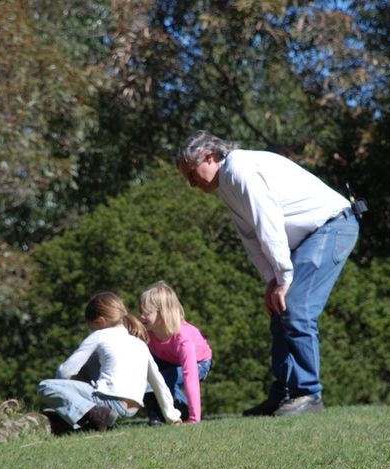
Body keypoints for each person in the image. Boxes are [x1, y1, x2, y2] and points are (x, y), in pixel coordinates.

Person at [176, 130, 359, 417]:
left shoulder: (239, 170)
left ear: (208, 157)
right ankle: (285, 395)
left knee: (296, 309)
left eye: (191, 173)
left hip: (332, 226)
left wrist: (283, 277)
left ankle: (308, 395)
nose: (191, 183)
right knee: (280, 309)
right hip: (311, 237)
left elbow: (268, 224)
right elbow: (251, 237)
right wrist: (272, 280)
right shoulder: (227, 185)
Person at [37, 291, 182, 433]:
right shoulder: (140, 343)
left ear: (100, 322)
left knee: (45, 386)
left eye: (91, 326)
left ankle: (94, 414)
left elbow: (66, 371)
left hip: (110, 402)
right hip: (131, 410)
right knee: (93, 362)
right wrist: (172, 416)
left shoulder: (99, 335)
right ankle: (94, 418)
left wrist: (64, 392)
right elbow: (158, 383)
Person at [138, 281, 213, 425]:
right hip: (168, 359)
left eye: (146, 312)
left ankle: (182, 409)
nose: (141, 316)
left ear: (163, 313)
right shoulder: (147, 333)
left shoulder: (183, 338)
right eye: (140, 311)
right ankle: (161, 413)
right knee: (149, 382)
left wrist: (194, 418)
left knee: (161, 380)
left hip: (199, 363)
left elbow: (190, 378)